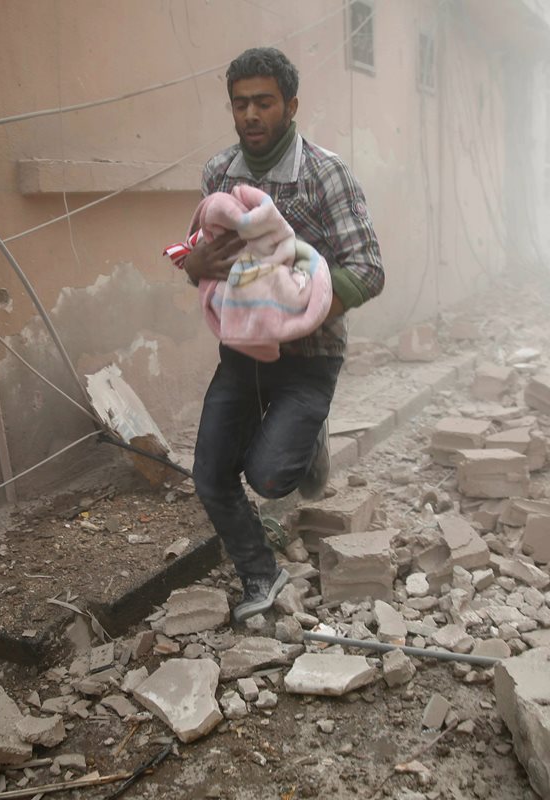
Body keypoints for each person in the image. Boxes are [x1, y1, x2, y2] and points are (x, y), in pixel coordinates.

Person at [182, 47, 384, 623]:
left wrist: (293, 308)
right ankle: (260, 574)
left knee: (268, 477)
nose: (250, 114)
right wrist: (193, 266)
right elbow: (193, 249)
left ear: (290, 105)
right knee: (211, 473)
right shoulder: (219, 174)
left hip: (310, 355)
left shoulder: (326, 174)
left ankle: (303, 435)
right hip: (241, 352)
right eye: (240, 104)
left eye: (263, 102)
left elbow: (369, 269)